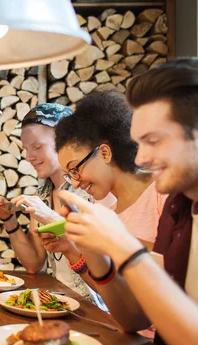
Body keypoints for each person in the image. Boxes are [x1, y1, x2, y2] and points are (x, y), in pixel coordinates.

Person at [58, 58, 198, 345]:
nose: (141, 157)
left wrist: (123, 247)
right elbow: (136, 318)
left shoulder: (167, 201)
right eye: (138, 142)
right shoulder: (180, 209)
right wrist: (91, 247)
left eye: (154, 140)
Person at [0, 103, 107, 309]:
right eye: (26, 149)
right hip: (60, 303)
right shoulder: (42, 195)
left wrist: (49, 216)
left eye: (37, 147)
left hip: (95, 308)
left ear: (65, 142)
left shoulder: (92, 189)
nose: (29, 157)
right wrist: (9, 220)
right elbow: (34, 264)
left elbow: (103, 257)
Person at [54, 90, 167, 249]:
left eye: (75, 169)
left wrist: (111, 237)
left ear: (104, 153)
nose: (75, 183)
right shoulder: (109, 215)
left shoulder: (162, 192)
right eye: (70, 175)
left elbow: (182, 264)